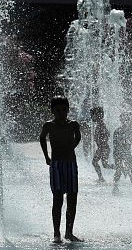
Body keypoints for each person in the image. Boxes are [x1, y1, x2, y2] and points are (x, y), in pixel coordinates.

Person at [39, 95, 83, 243]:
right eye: (58, 110)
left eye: (64, 110)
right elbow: (42, 138)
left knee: (72, 198)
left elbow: (78, 137)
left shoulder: (73, 124)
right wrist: (46, 157)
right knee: (57, 199)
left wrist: (73, 146)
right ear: (52, 111)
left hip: (71, 164)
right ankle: (56, 233)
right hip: (56, 165)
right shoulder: (49, 125)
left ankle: (69, 232)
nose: (61, 113)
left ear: (68, 110)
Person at [112, 111, 132, 194]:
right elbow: (115, 144)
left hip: (125, 153)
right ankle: (115, 189)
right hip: (120, 153)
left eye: (127, 119)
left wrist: (125, 141)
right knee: (120, 171)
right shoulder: (118, 131)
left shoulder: (130, 131)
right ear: (121, 120)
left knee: (130, 171)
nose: (126, 121)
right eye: (124, 119)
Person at [90, 107, 113, 182]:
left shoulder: (101, 125)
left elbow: (107, 134)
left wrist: (102, 145)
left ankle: (121, 169)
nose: (91, 117)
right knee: (103, 164)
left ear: (98, 115)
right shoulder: (100, 124)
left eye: (92, 115)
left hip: (103, 148)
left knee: (101, 164)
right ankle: (101, 178)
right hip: (102, 148)